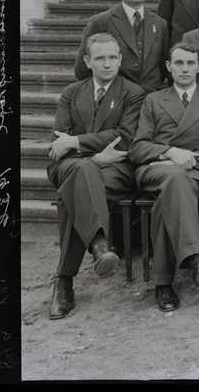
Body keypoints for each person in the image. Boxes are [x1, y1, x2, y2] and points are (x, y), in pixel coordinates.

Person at [47, 34, 146, 319]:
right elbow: (56, 141)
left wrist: (76, 143)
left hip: (114, 170)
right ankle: (99, 244)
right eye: (100, 58)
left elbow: (124, 136)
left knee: (74, 196)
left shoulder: (133, 93)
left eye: (113, 57)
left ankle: (64, 281)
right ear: (87, 61)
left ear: (120, 60)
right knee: (81, 172)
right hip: (70, 165)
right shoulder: (71, 92)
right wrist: (93, 157)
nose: (107, 64)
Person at [128, 43, 199, 313]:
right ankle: (196, 258)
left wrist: (191, 159)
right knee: (173, 178)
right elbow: (137, 148)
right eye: (179, 63)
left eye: (190, 63)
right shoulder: (154, 100)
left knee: (173, 189)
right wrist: (169, 151)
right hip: (157, 168)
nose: (184, 69)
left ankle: (163, 283)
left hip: (196, 172)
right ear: (168, 67)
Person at [74, 0, 169, 94]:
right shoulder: (101, 22)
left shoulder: (160, 24)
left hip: (150, 100)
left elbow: (162, 66)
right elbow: (82, 69)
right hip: (116, 100)